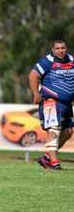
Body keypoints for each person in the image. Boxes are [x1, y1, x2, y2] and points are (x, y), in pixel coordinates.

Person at [29, 40, 74, 170]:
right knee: (54, 128)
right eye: (58, 48)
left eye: (63, 48)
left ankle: (47, 157)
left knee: (68, 131)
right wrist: (36, 94)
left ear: (66, 48)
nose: (61, 50)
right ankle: (54, 162)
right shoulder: (47, 61)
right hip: (51, 100)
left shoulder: (71, 60)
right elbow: (33, 75)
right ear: (53, 50)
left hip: (66, 103)